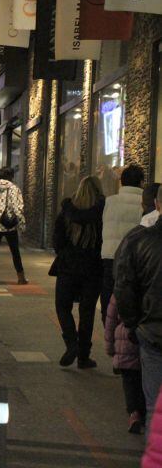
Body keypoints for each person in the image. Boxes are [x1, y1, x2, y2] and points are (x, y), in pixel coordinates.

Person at [115, 185, 162, 432]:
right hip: (150, 331)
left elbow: (124, 287)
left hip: (152, 333)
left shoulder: (139, 241)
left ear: (157, 205)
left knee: (155, 407)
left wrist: (133, 324)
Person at [51, 176, 105, 368]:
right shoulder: (102, 211)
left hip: (68, 266)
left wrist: (64, 253)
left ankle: (71, 343)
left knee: (63, 306)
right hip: (93, 267)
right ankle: (83, 355)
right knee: (87, 311)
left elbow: (57, 239)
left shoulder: (68, 210)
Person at [100, 165, 145, 326]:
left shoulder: (109, 201)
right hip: (133, 258)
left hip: (109, 255)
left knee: (108, 292)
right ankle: (125, 329)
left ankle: (108, 326)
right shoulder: (144, 204)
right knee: (129, 295)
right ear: (141, 182)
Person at [105, 294, 146, 434]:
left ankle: (133, 413)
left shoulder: (121, 289)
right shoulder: (152, 284)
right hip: (146, 340)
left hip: (125, 343)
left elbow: (110, 320)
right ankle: (144, 413)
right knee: (144, 381)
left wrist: (110, 347)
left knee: (129, 382)